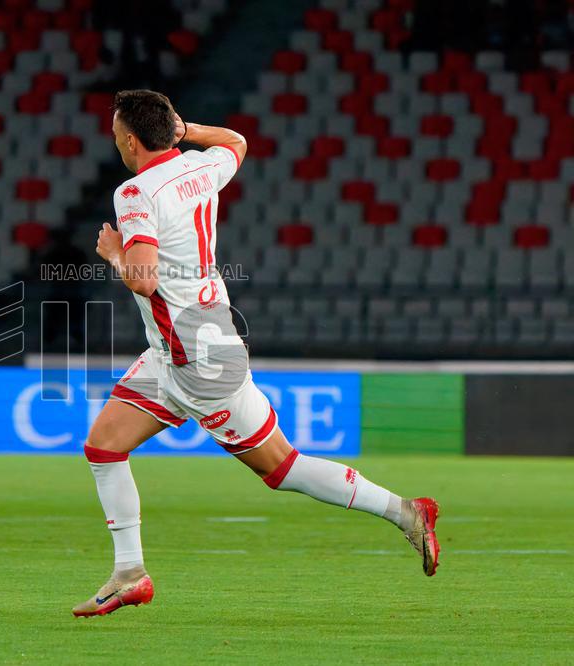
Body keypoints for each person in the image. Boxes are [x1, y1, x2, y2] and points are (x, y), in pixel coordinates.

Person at [73, 90, 440, 617]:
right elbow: (236, 142)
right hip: (174, 349)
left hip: (198, 361)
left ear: (131, 141)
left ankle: (407, 512)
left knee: (282, 468)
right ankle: (130, 574)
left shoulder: (135, 193)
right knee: (104, 446)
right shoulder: (201, 167)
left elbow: (143, 279)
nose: (115, 142)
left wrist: (113, 253)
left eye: (115, 134)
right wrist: (187, 131)